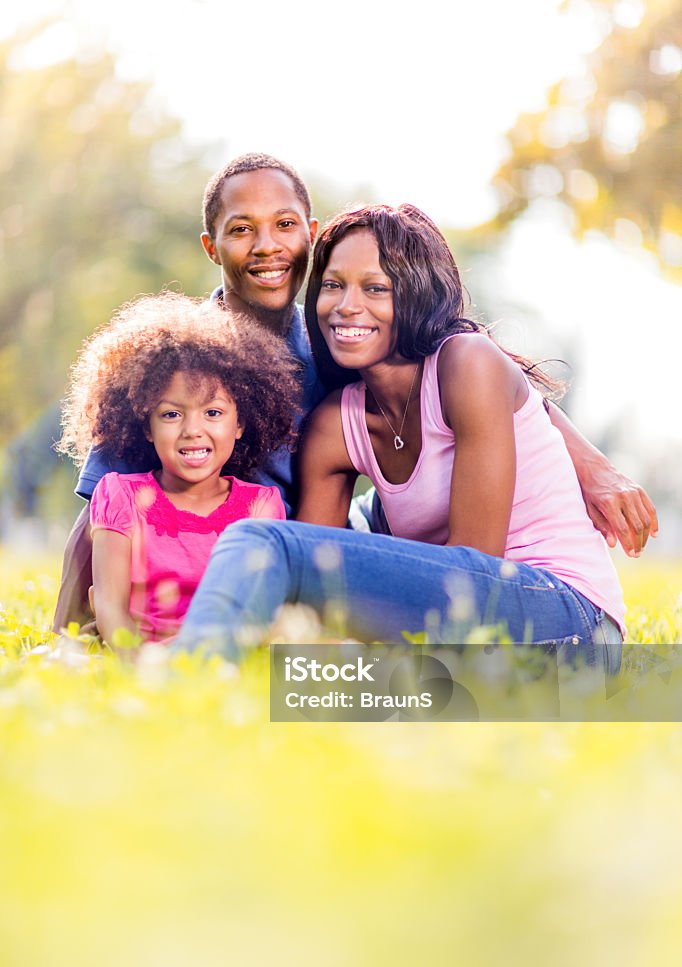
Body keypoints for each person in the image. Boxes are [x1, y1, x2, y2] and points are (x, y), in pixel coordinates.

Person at [52, 153, 657, 632]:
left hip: (493, 585)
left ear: (307, 234)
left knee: (324, 535)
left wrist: (590, 463)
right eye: (242, 230)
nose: (267, 245)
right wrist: (64, 637)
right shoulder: (181, 361)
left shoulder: (339, 349)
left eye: (285, 226)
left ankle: (189, 677)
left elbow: (479, 371)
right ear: (211, 246)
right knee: (337, 580)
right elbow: (104, 503)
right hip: (228, 568)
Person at [176, 204, 629, 671]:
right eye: (333, 285)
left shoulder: (467, 364)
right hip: (475, 650)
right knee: (302, 640)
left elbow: (471, 570)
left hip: (571, 623)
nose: (347, 305)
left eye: (376, 288)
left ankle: (185, 684)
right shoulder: (337, 423)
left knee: (262, 544)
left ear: (415, 296)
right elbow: (317, 584)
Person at [57, 292, 298, 648]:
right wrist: (143, 666)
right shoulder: (119, 496)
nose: (192, 430)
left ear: (241, 423)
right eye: (171, 414)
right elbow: (109, 605)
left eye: (213, 413)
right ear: (145, 427)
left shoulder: (261, 507)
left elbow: (257, 613)